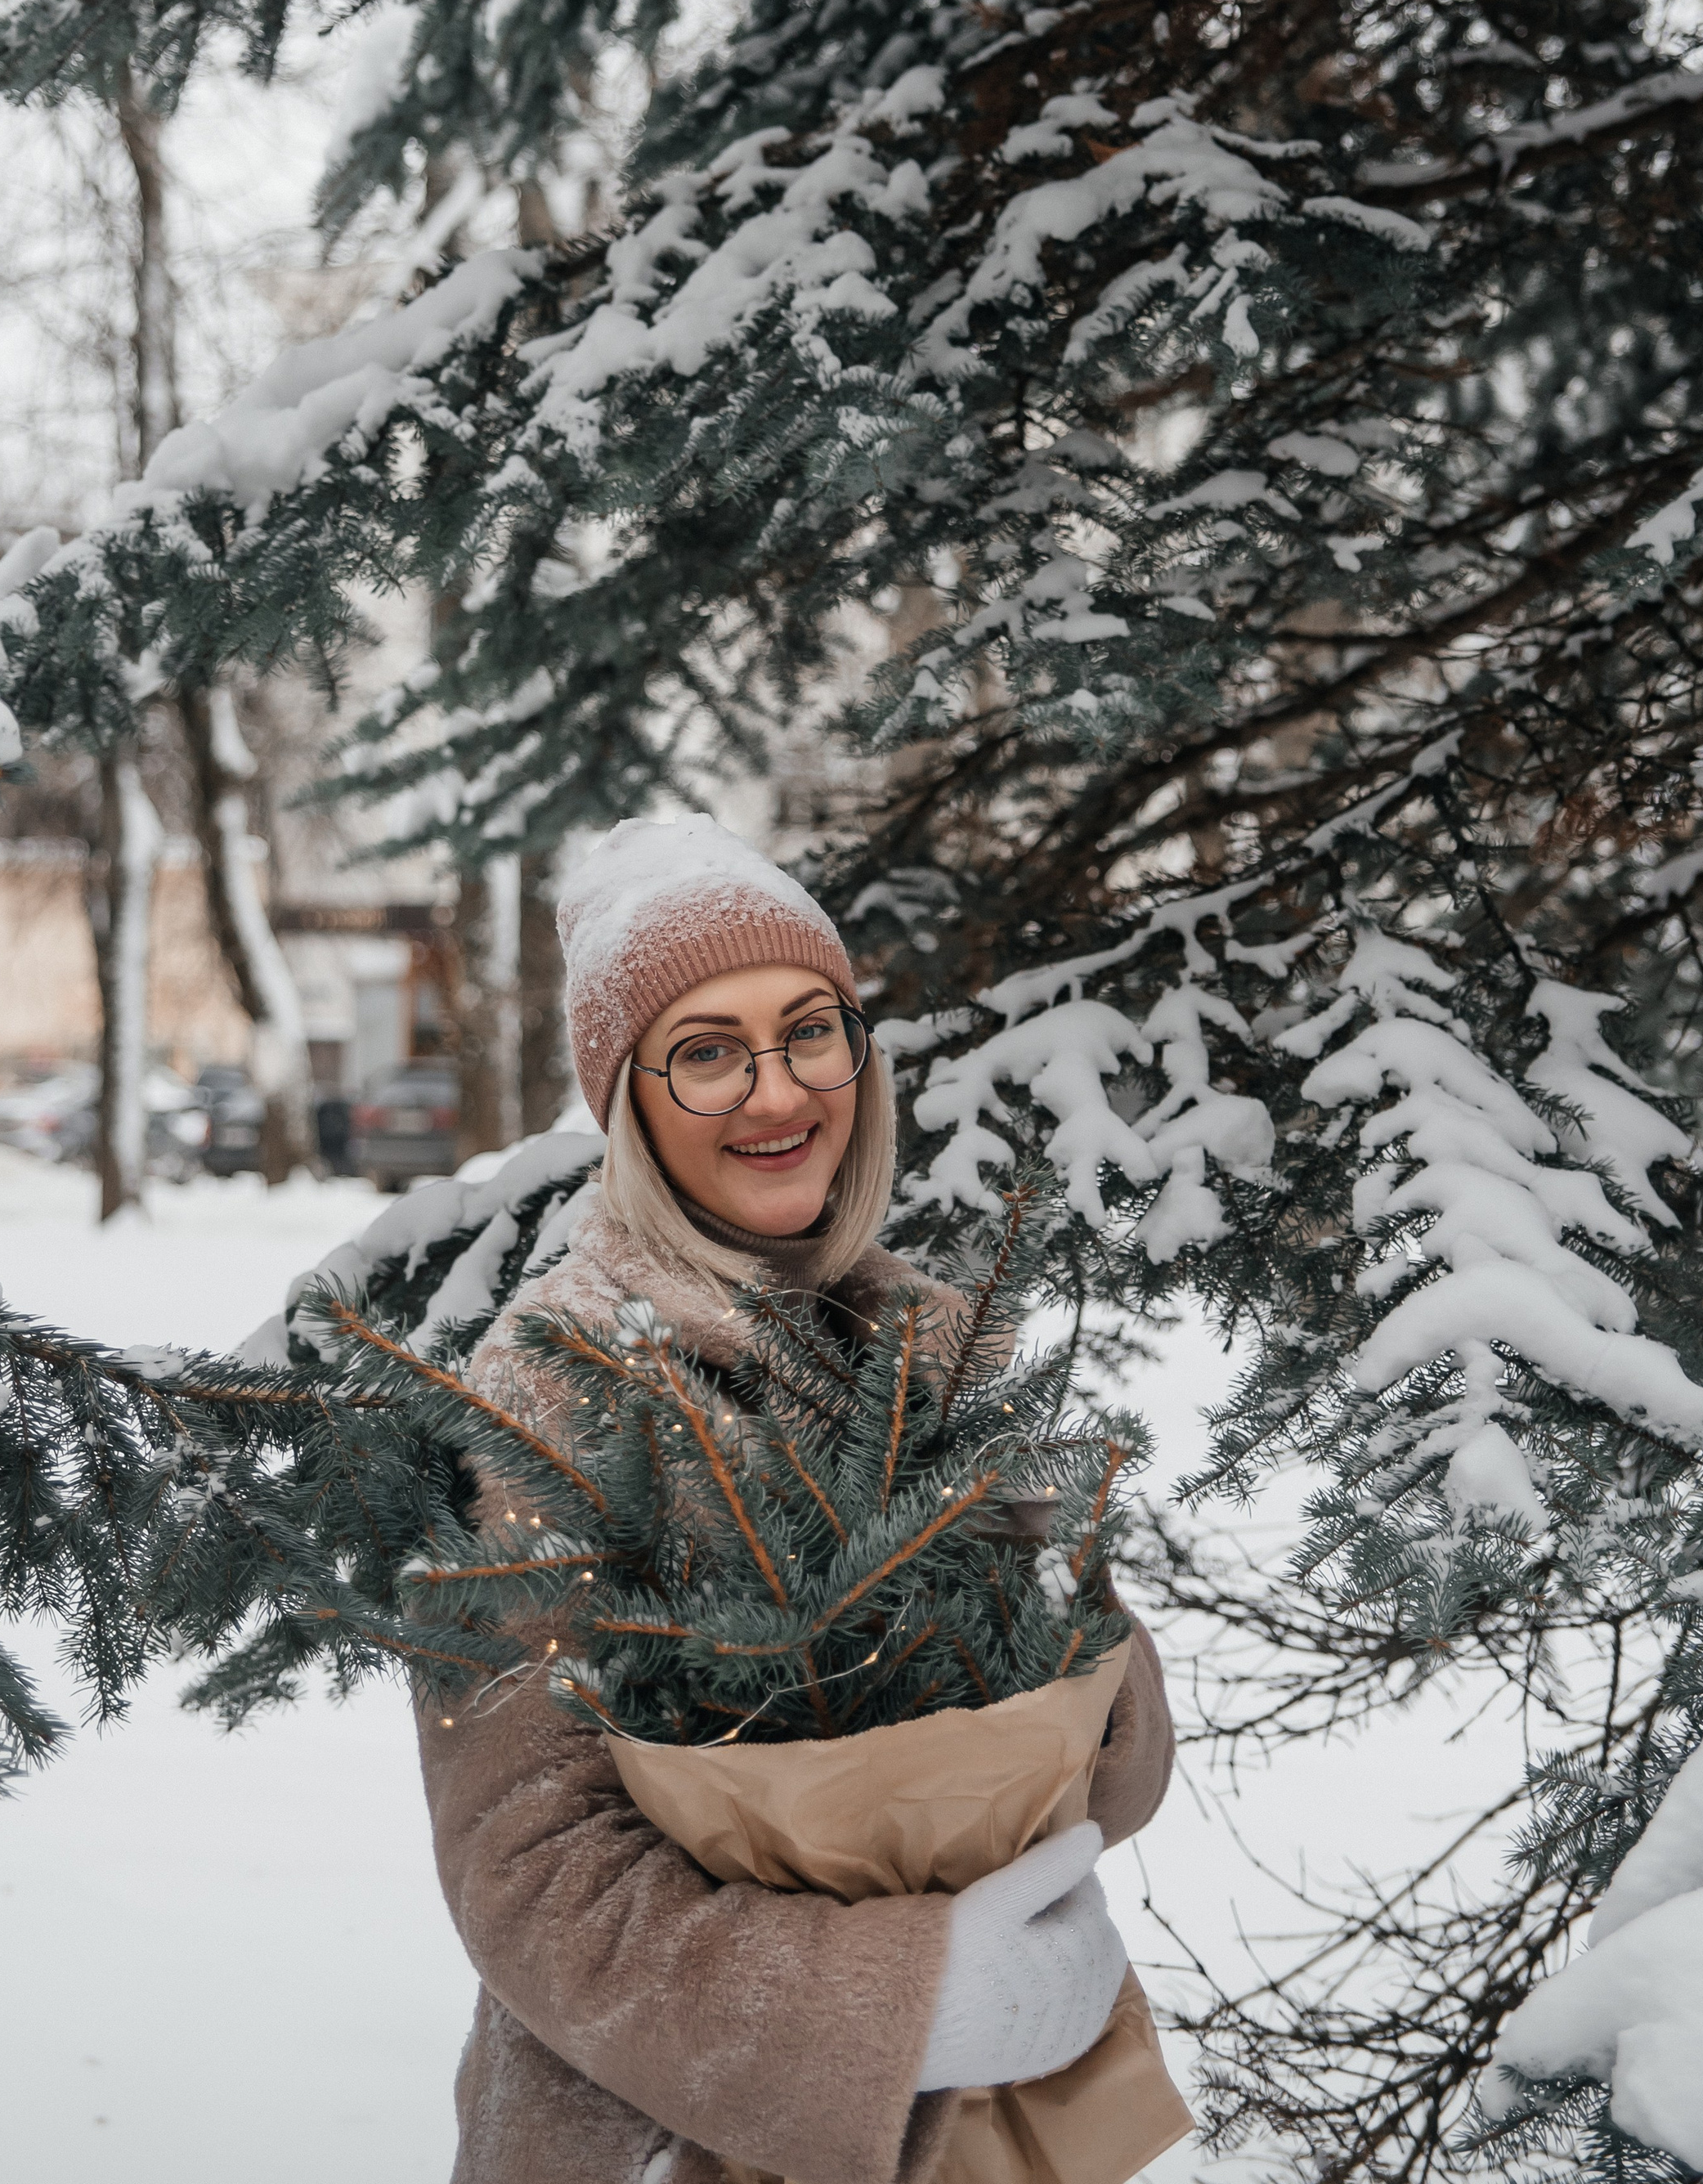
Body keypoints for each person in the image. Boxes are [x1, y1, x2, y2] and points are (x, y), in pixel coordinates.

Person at [416, 818, 1176, 2184]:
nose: (778, 1096)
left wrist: (1073, 1756)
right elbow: (529, 1875)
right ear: (628, 1102)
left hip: (988, 2134)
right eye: (706, 1053)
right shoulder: (550, 1388)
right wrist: (908, 2001)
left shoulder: (935, 1341)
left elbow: (1095, 1744)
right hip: (660, 2146)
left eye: (809, 1031)